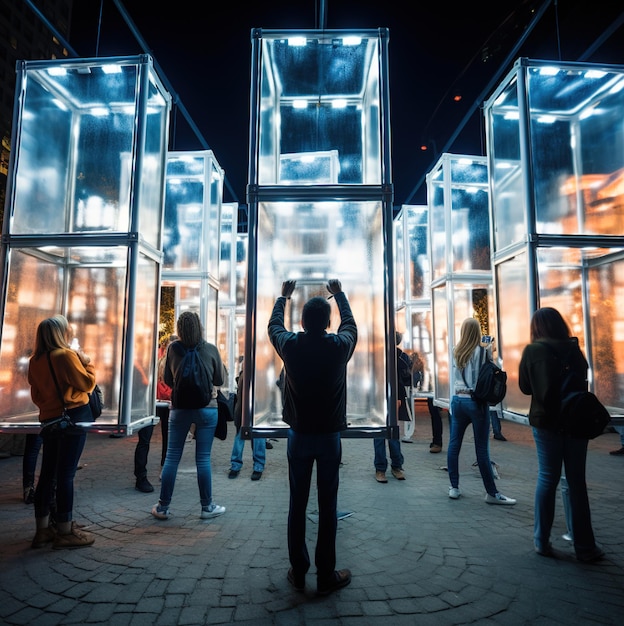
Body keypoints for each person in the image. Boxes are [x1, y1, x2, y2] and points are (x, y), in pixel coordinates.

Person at [268, 278, 357, 596]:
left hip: (300, 436)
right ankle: (326, 574)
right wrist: (339, 294)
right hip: (330, 437)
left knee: (297, 504)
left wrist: (283, 297)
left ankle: (299, 569)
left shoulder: (291, 346)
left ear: (303, 322)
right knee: (328, 504)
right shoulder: (338, 347)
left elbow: (273, 326)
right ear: (328, 321)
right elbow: (351, 326)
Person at [519, 307, 604, 562]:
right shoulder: (573, 348)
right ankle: (585, 547)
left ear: (537, 328)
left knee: (548, 477)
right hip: (576, 421)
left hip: (546, 421)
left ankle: (541, 541)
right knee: (576, 481)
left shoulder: (533, 351)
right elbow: (583, 380)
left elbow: (525, 388)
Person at [27, 314, 96, 549]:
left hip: (49, 421)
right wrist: (87, 361)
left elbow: (36, 396)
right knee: (66, 475)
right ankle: (65, 530)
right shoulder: (65, 355)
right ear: (61, 333)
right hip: (72, 419)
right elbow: (87, 384)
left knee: (47, 475)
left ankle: (42, 529)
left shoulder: (34, 361)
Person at [151, 312, 226, 521]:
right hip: (207, 408)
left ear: (179, 329)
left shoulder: (173, 349)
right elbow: (219, 379)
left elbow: (166, 378)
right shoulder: (210, 349)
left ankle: (163, 507)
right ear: (199, 326)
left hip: (179, 409)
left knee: (172, 457)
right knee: (203, 459)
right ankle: (207, 507)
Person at [447, 317, 516, 505]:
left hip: (457, 401)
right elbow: (493, 372)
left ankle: (454, 487)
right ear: (477, 332)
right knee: (481, 449)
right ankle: (492, 493)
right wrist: (490, 350)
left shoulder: (455, 351)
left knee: (454, 445)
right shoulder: (481, 351)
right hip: (476, 403)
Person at [133, 334, 178, 492]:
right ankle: (160, 471)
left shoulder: (156, 360)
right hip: (162, 403)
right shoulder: (166, 361)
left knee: (147, 440)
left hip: (153, 402)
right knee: (166, 438)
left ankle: (143, 475)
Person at [373, 332, 407, 481]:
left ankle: (395, 465)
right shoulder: (378, 356)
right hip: (379, 396)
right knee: (381, 433)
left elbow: (402, 378)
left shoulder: (399, 356)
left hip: (392, 397)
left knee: (391, 432)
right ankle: (383, 467)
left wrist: (399, 398)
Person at [229, 361, 266, 480]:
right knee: (247, 437)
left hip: (253, 411)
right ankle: (256, 466)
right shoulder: (247, 375)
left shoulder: (248, 374)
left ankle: (238, 466)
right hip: (246, 411)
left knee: (248, 437)